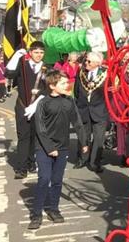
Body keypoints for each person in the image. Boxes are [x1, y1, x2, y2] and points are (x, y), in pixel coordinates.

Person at [28, 70, 88, 230]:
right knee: (44, 179)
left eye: (66, 82)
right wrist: (50, 148)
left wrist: (83, 142)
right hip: (44, 147)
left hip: (62, 148)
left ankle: (53, 210)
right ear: (52, 86)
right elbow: (40, 128)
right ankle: (36, 215)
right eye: (63, 83)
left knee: (57, 180)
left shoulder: (69, 101)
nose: (67, 85)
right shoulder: (43, 103)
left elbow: (77, 122)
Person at [5, 41, 48, 179]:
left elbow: (49, 88)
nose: (39, 55)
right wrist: (16, 57)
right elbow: (8, 74)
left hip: (39, 108)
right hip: (22, 106)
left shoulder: (47, 68)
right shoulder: (22, 66)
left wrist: (36, 104)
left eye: (41, 52)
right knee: (23, 137)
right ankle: (21, 168)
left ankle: (31, 162)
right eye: (36, 52)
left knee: (35, 137)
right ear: (30, 53)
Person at [73, 51, 110, 172]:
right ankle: (82, 159)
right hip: (83, 109)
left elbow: (110, 93)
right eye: (86, 60)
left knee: (98, 138)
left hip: (100, 110)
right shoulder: (81, 72)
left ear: (98, 63)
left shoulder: (107, 73)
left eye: (89, 61)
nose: (86, 63)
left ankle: (95, 162)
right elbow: (76, 90)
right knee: (83, 135)